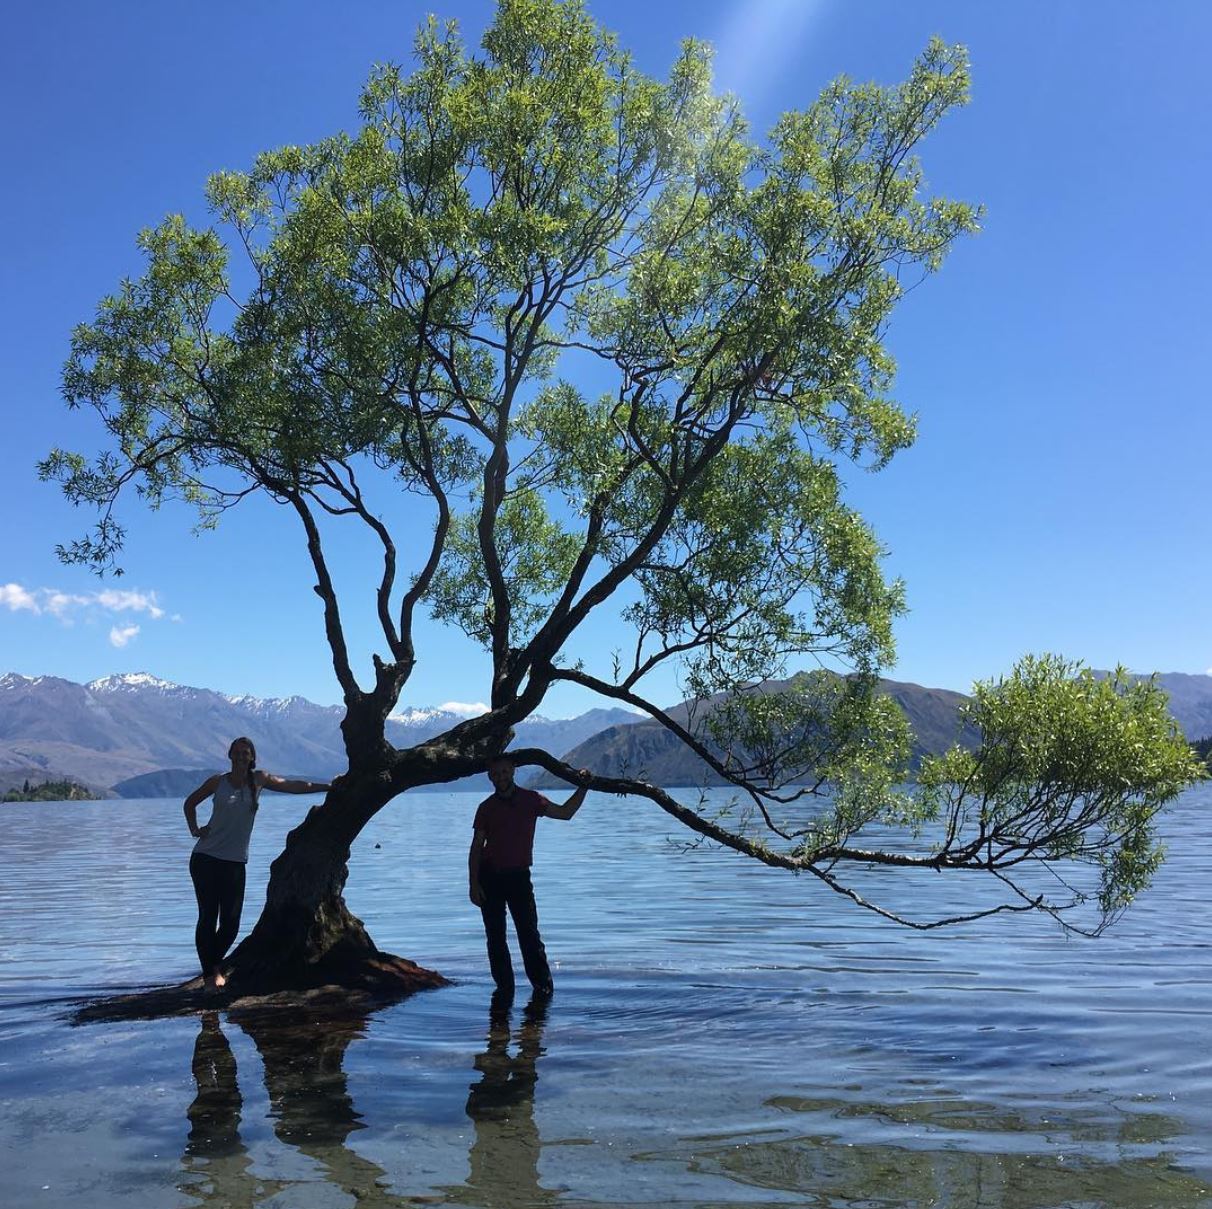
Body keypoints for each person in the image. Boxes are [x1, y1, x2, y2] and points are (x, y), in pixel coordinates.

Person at [183, 737, 331, 990]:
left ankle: (213, 966)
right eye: (237, 752)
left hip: (235, 862)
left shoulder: (259, 780)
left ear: (252, 757)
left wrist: (328, 787)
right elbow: (190, 803)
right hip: (205, 859)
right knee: (208, 917)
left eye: (246, 753)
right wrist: (195, 829)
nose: (241, 757)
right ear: (229, 755)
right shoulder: (217, 782)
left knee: (231, 923)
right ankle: (210, 975)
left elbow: (293, 786)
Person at [468, 755, 590, 997]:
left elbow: (565, 813)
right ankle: (505, 989)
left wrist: (584, 786)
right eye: (495, 774)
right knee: (495, 938)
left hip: (519, 877)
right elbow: (475, 848)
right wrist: (473, 884)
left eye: (504, 772)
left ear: (513, 771)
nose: (500, 778)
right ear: (489, 776)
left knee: (529, 936)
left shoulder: (531, 800)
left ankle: (543, 989)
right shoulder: (486, 808)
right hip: (489, 877)